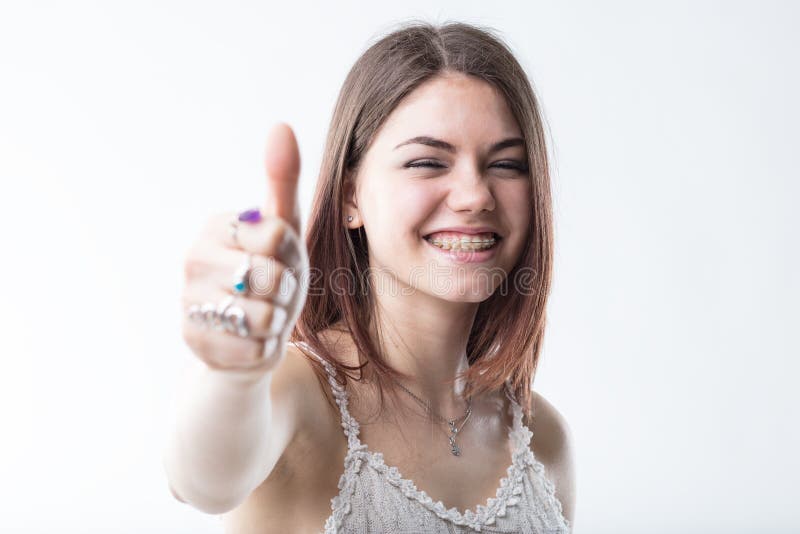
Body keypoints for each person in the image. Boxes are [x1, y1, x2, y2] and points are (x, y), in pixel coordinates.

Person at [164, 20, 576, 533]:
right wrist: (231, 374)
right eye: (427, 162)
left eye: (508, 165)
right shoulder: (297, 394)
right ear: (350, 197)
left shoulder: (544, 438)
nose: (475, 195)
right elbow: (202, 481)